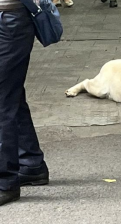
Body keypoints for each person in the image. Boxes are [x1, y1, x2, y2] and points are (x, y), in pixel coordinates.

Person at [0, 0, 49, 206]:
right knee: (11, 95)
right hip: (10, 17)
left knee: (3, 100)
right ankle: (31, 163)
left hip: (9, 17)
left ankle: (5, 182)